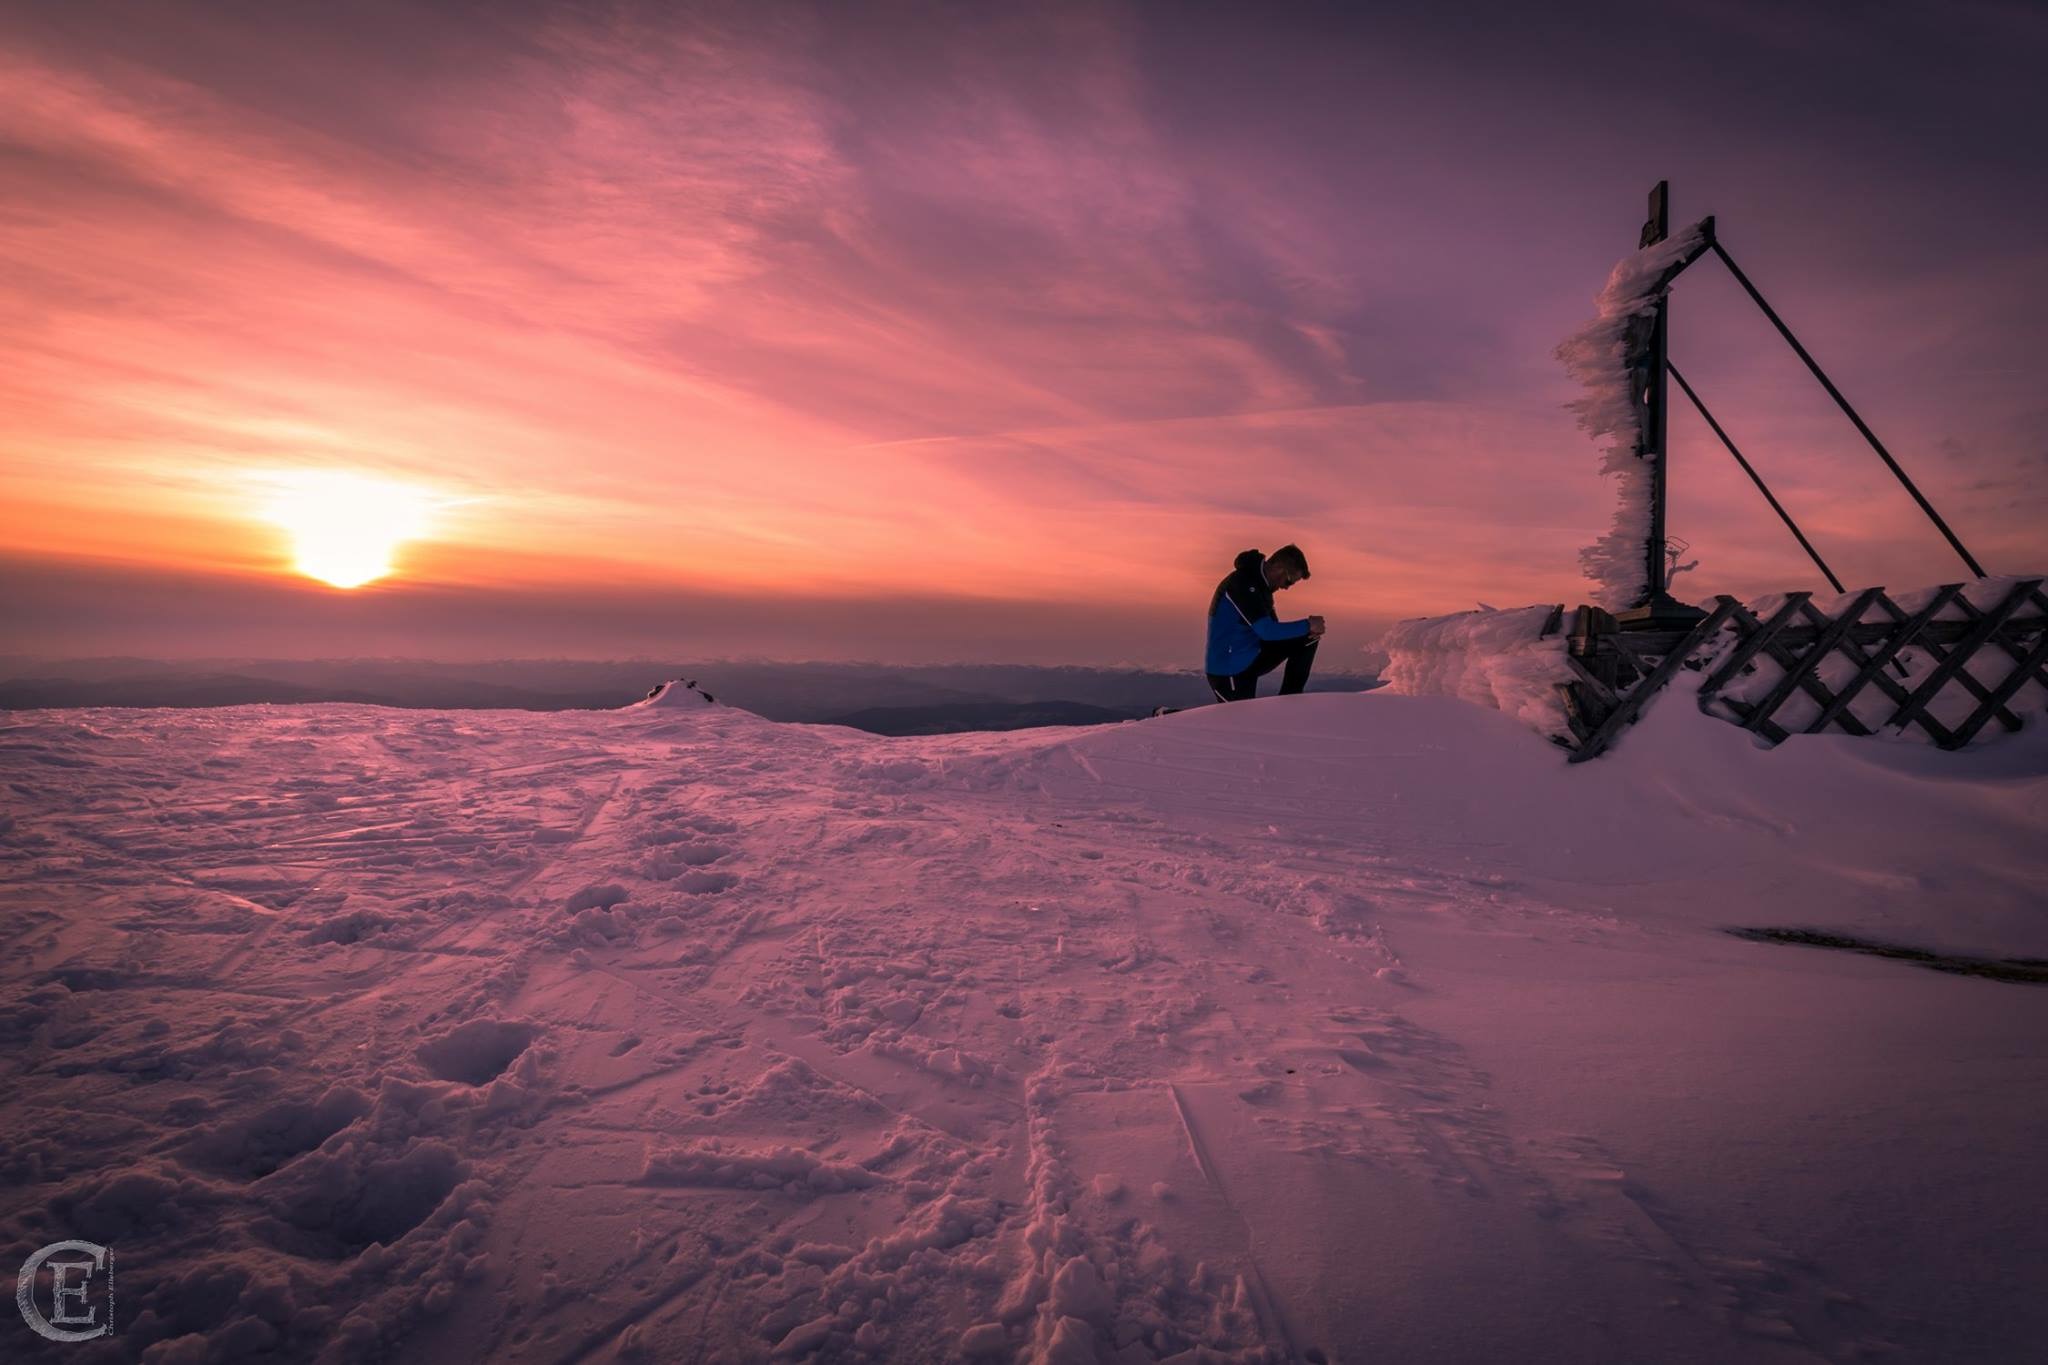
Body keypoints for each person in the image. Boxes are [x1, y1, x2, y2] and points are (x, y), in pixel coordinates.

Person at [1204, 545, 1325, 702]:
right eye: (1289, 582)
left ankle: (1290, 701)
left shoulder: (1262, 587)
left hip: (1250, 658)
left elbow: (1274, 633)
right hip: (1228, 669)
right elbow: (1266, 631)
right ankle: (1168, 716)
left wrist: (1308, 630)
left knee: (1308, 638)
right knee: (1238, 722)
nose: (1286, 588)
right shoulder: (1242, 583)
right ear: (1277, 567)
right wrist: (1308, 624)